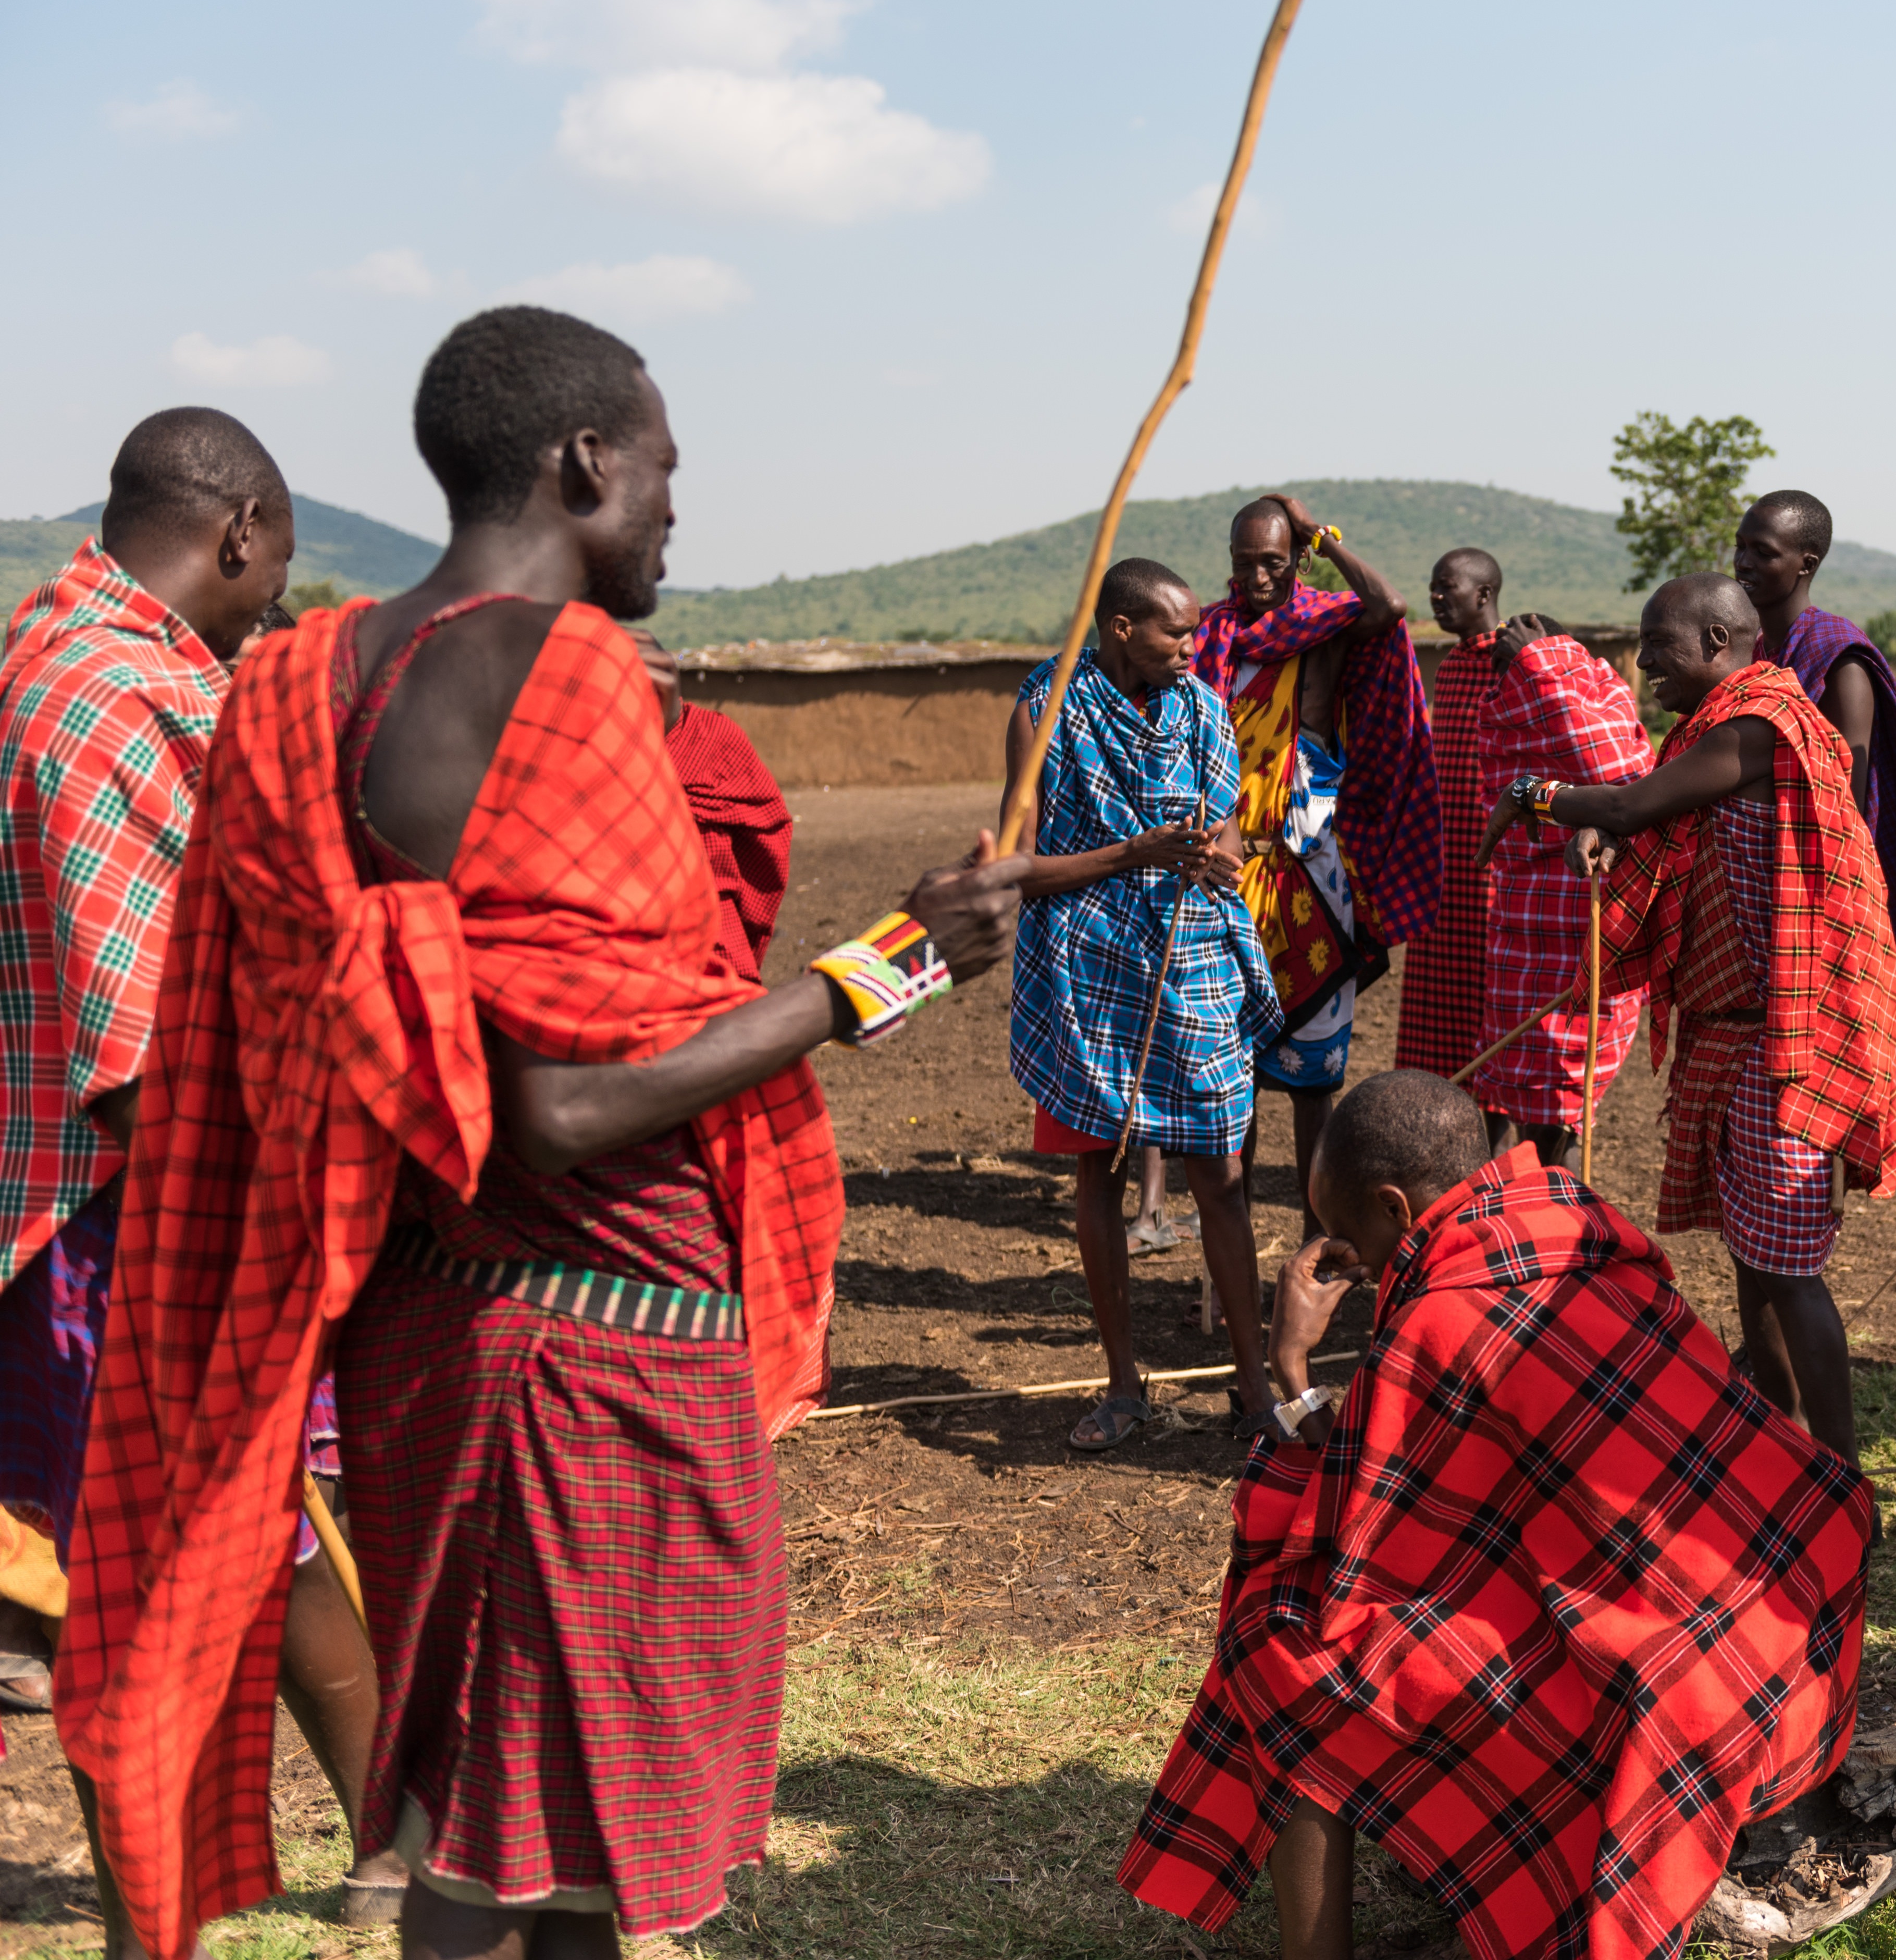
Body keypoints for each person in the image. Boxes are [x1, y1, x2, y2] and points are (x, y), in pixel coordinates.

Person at [53, 305, 1032, 1960]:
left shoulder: (305, 675)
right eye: (662, 470)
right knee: (517, 1857)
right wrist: (896, 964)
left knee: (503, 1827)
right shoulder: (567, 675)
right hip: (594, 1357)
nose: (672, 511)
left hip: (427, 1323)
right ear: (585, 460)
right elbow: (561, 1103)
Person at [1117, 1069, 1874, 1960]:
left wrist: (1290, 1370)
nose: (1342, 1253)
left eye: (1347, 1231)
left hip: (1675, 1696)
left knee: (1277, 1637)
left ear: (1398, 1211)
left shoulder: (1439, 1322)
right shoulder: (1574, 1221)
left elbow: (1343, 1547)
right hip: (1795, 1621)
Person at [0, 410, 416, 1942]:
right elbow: (136, 1047)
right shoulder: (111, 701)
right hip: (135, 1217)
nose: (267, 604)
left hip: (114, 1202)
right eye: (273, 568)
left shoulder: (64, 655)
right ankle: (143, 1922)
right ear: (240, 530)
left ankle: (393, 1837)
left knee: (273, 1524)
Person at [1482, 573, 1896, 1464]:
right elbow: (1648, 808)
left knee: (1789, 1272)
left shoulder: (1760, 727)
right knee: (1755, 1257)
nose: (1644, 666)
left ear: (1718, 641)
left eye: (1659, 647)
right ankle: (1781, 1443)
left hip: (1782, 1043)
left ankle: (1838, 1472)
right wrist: (1606, 824)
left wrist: (1535, 795)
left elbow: (1634, 803)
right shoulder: (1728, 731)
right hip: (1738, 1035)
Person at [1003, 558, 1283, 1450]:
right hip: (1084, 969)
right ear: (1121, 628)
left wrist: (1217, 856)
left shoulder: (1202, 709)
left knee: (1220, 1174)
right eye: (1176, 633)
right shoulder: (1047, 709)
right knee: (1098, 1170)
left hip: (1190, 950)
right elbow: (1019, 865)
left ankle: (1252, 1385)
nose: (1192, 649)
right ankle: (1124, 1387)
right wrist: (1135, 855)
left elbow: (1229, 827)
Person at [1191, 494, 1439, 1241]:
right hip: (1227, 879)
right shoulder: (1210, 636)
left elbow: (1389, 606)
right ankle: (1227, 1240)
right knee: (1231, 1085)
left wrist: (1325, 536)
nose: (1258, 577)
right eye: (1244, 564)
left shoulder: (1324, 628)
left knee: (1312, 1087)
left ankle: (1315, 1239)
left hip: (1308, 877)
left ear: (1295, 558)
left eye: (1273, 562)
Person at [1729, 488, 1896, 1080]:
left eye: (1762, 550)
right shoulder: (1753, 654)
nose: (1744, 562)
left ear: (1806, 563)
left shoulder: (1836, 658)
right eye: (1740, 547)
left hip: (1820, 896)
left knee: (1826, 1072)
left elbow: (1839, 803)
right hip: (1762, 894)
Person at [1470, 615, 1653, 1163]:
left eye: (1518, 667)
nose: (1506, 682)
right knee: (1525, 1097)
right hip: (1520, 931)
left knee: (1562, 1109)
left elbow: (1618, 775)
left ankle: (1564, 1224)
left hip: (1581, 930)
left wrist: (1541, 664)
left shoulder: (1585, 709)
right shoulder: (1525, 726)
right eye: (1505, 668)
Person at [1386, 546, 1502, 1081]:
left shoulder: (1514, 662)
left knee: (1489, 998)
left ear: (1482, 594)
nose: (1435, 597)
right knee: (1438, 997)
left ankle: (1492, 1136)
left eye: (1446, 587)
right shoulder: (1453, 667)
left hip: (1491, 868)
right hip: (1442, 867)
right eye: (1433, 587)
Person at [633, 629, 795, 980]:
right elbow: (766, 848)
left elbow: (767, 834)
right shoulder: (589, 755)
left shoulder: (713, 739)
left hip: (711, 945)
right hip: (638, 950)